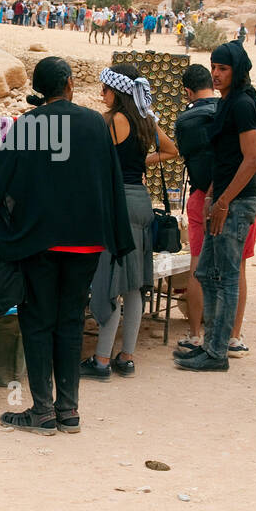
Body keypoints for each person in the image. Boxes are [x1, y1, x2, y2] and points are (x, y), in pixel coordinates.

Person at [0, 57, 132, 435]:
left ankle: (42, 411)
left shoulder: (29, 126)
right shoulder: (94, 123)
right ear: (69, 83)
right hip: (87, 245)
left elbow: (0, 182)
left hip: (39, 244)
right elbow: (111, 181)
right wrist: (117, 237)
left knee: (37, 322)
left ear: (40, 89)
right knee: (70, 322)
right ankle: (68, 411)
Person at [83, 64, 179, 381]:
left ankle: (99, 361)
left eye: (105, 89)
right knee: (135, 284)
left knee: (108, 280)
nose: (102, 94)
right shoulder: (144, 119)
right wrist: (140, 161)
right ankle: (126, 358)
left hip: (116, 203)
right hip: (141, 202)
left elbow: (93, 162)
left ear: (117, 91)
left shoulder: (110, 121)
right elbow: (171, 150)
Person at [174, 41, 256, 371]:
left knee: (226, 275)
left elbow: (252, 158)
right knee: (205, 271)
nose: (215, 74)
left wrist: (224, 200)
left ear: (236, 71)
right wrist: (213, 194)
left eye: (223, 68)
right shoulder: (227, 103)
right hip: (222, 198)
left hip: (236, 201)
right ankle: (210, 343)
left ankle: (217, 352)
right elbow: (232, 157)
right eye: (213, 67)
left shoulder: (241, 104)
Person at [173, 64, 220, 350]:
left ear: (188, 91)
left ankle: (195, 335)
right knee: (234, 269)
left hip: (201, 196)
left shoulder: (187, 120)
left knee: (197, 267)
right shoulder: (231, 111)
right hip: (236, 194)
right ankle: (231, 336)